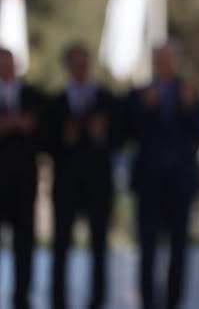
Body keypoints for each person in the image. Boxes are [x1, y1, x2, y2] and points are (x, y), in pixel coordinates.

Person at [128, 42, 199, 309]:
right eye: (159, 59)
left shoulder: (189, 92)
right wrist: (146, 108)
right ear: (154, 63)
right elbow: (129, 132)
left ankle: (174, 301)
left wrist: (189, 107)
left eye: (168, 59)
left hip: (179, 184)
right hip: (149, 183)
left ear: (175, 62)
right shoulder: (139, 95)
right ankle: (148, 300)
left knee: (179, 248)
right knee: (147, 248)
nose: (164, 64)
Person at [49, 43, 122, 309]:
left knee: (99, 246)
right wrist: (65, 139)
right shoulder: (55, 103)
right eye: (75, 65)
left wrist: (101, 135)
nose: (80, 70)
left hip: (98, 185)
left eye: (84, 65)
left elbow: (121, 137)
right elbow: (45, 142)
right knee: (61, 246)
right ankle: (59, 300)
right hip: (66, 185)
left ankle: (97, 300)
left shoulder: (107, 100)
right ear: (68, 68)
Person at [0, 47, 45, 309]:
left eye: (8, 63)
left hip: (24, 182)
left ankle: (22, 296)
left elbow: (45, 133)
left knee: (25, 241)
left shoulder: (33, 96)